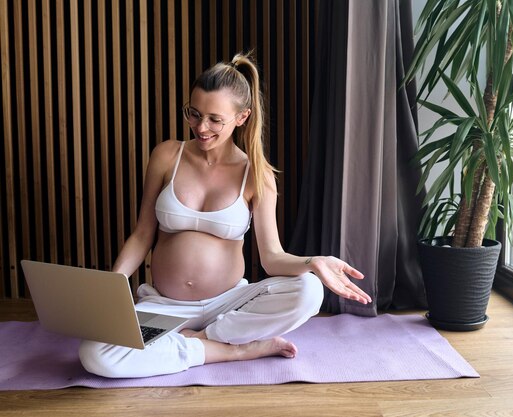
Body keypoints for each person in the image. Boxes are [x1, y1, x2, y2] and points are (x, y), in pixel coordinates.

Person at [78, 52, 371, 378]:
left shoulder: (257, 175)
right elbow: (143, 233)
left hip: (230, 307)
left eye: (215, 119)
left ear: (242, 117)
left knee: (310, 290)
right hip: (165, 308)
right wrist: (113, 286)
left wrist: (313, 262)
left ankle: (203, 341)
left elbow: (272, 258)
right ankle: (231, 350)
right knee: (95, 353)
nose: (201, 127)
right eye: (194, 113)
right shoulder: (167, 155)